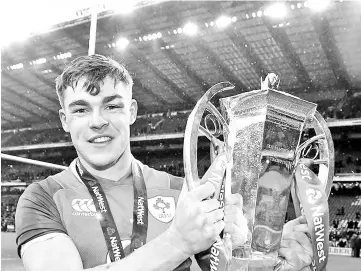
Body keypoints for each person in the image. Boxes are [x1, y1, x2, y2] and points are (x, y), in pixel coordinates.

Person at [15, 54, 313, 271]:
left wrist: (269, 256)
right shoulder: (43, 198)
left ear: (131, 111)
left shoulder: (184, 192)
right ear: (64, 120)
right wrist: (178, 242)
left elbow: (230, 268)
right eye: (81, 110)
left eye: (112, 105)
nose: (97, 122)